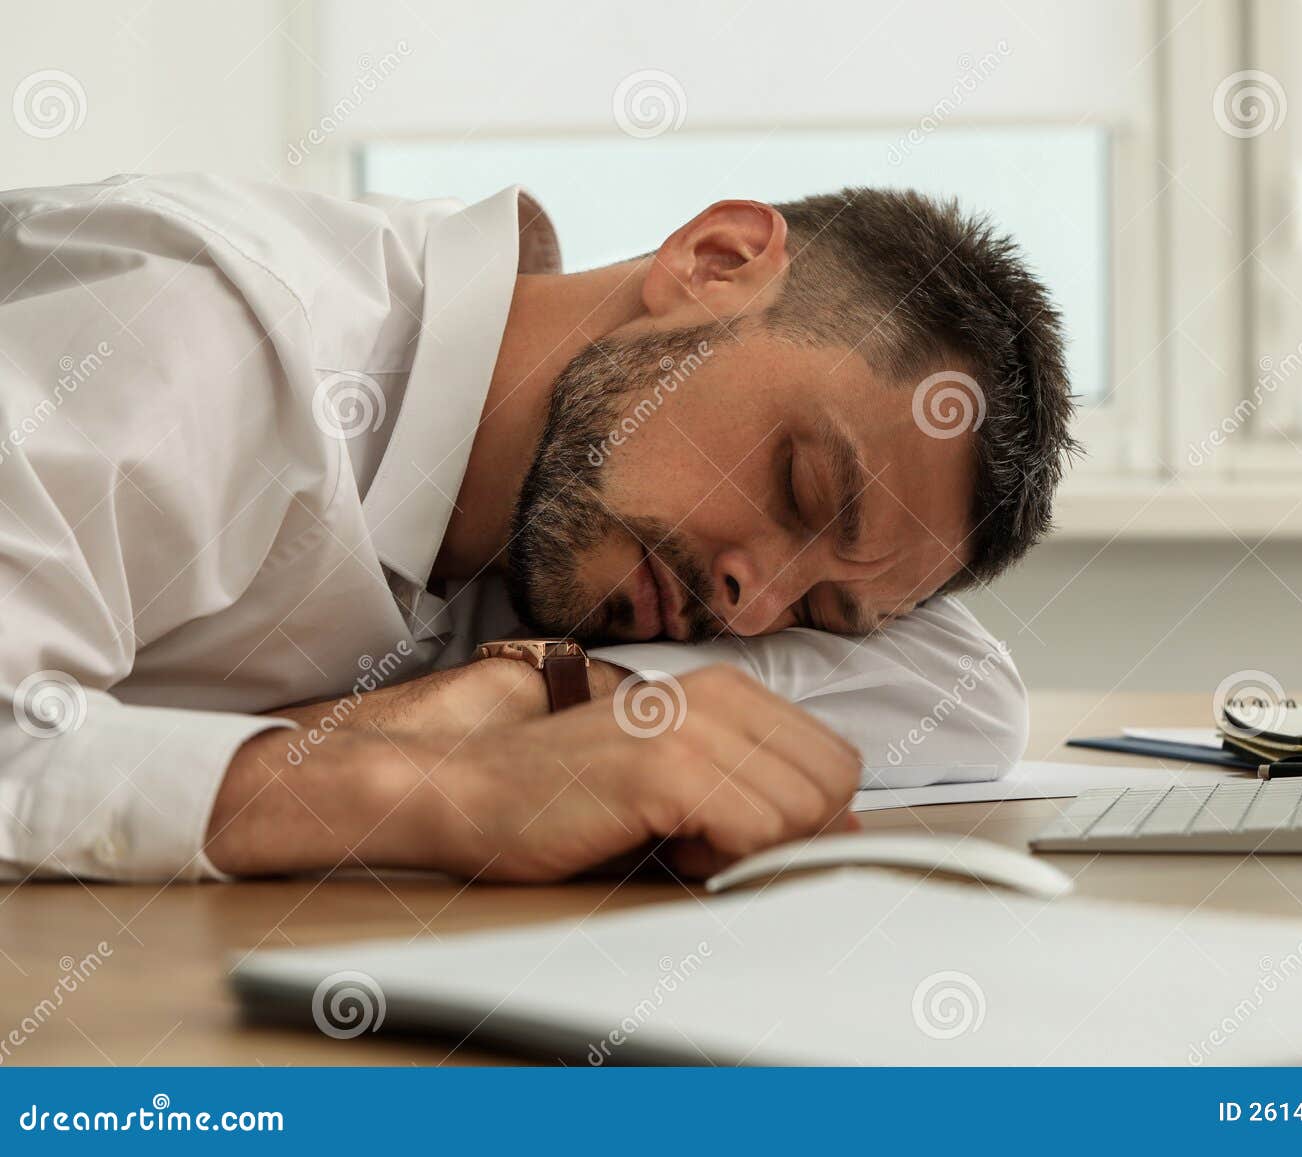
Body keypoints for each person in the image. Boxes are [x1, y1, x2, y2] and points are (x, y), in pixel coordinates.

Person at [0, 173, 1074, 884]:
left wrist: (530, 693)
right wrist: (442, 788)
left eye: (821, 610)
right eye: (798, 485)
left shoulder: (573, 511)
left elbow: (965, 690)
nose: (751, 608)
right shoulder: (196, 338)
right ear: (714, 261)